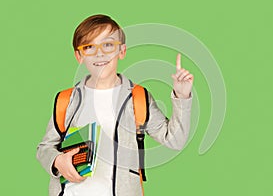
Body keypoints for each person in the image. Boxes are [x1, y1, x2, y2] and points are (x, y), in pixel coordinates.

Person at [36, 14, 194, 196]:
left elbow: (174, 140)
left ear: (122, 51)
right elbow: (44, 148)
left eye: (108, 45)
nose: (99, 53)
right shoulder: (67, 100)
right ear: (79, 56)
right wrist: (57, 161)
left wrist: (182, 96)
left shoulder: (138, 98)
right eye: (89, 47)